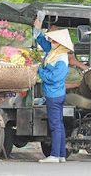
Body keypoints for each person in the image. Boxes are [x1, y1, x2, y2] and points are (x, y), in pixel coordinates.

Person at [34, 19, 73, 163]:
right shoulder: (54, 51)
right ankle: (61, 155)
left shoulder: (62, 58)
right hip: (56, 94)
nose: (50, 39)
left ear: (59, 41)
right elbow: (41, 40)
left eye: (52, 38)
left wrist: (39, 71)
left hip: (54, 95)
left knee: (55, 125)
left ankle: (55, 155)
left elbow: (53, 78)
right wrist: (38, 29)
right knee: (59, 124)